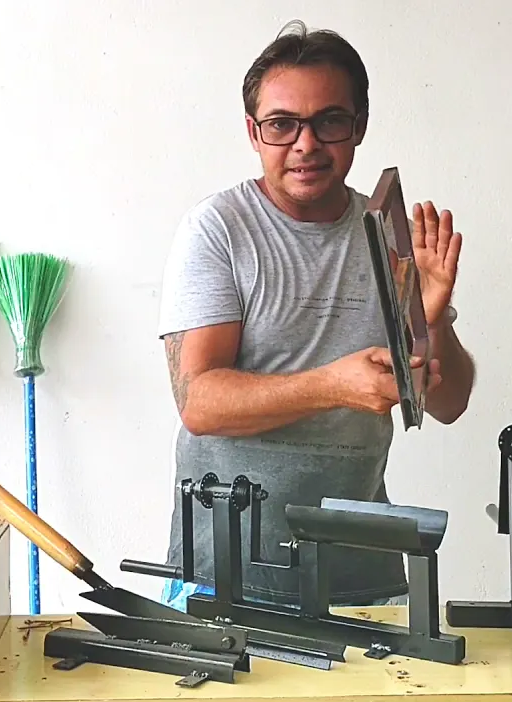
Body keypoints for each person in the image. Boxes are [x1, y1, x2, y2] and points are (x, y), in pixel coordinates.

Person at [155, 21, 476, 612]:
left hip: (361, 569)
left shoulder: (387, 236)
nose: (306, 144)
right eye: (282, 124)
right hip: (221, 570)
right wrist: (332, 386)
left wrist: (431, 320)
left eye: (329, 121)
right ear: (253, 132)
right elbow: (200, 403)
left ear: (359, 127)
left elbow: (449, 401)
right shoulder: (219, 230)